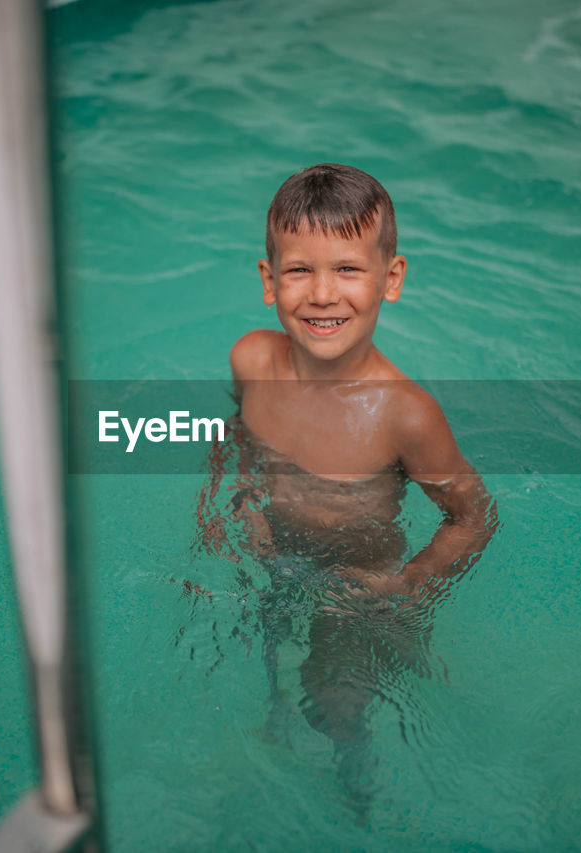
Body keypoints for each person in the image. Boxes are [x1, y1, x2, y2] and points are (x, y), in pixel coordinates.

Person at [201, 163, 497, 820]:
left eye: (348, 270)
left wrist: (410, 581)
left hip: (356, 580)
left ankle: (357, 786)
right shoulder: (252, 359)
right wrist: (234, 502)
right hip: (273, 546)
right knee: (247, 653)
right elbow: (233, 431)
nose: (322, 294)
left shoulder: (405, 415)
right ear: (267, 279)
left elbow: (472, 516)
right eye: (300, 270)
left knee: (332, 702)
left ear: (390, 280)